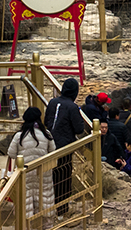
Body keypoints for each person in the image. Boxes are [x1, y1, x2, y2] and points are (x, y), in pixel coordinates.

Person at [44, 77, 88, 212]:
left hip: (49, 144)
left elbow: (46, 121)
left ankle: (49, 205)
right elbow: (79, 128)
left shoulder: (52, 102)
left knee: (51, 175)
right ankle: (62, 208)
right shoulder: (73, 107)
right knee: (63, 177)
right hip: (65, 146)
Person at [8, 106, 56, 217]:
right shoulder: (46, 134)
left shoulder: (19, 136)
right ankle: (46, 224)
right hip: (43, 171)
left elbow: (11, 154)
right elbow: (53, 151)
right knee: (45, 197)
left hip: (25, 172)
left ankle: (25, 224)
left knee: (25, 198)